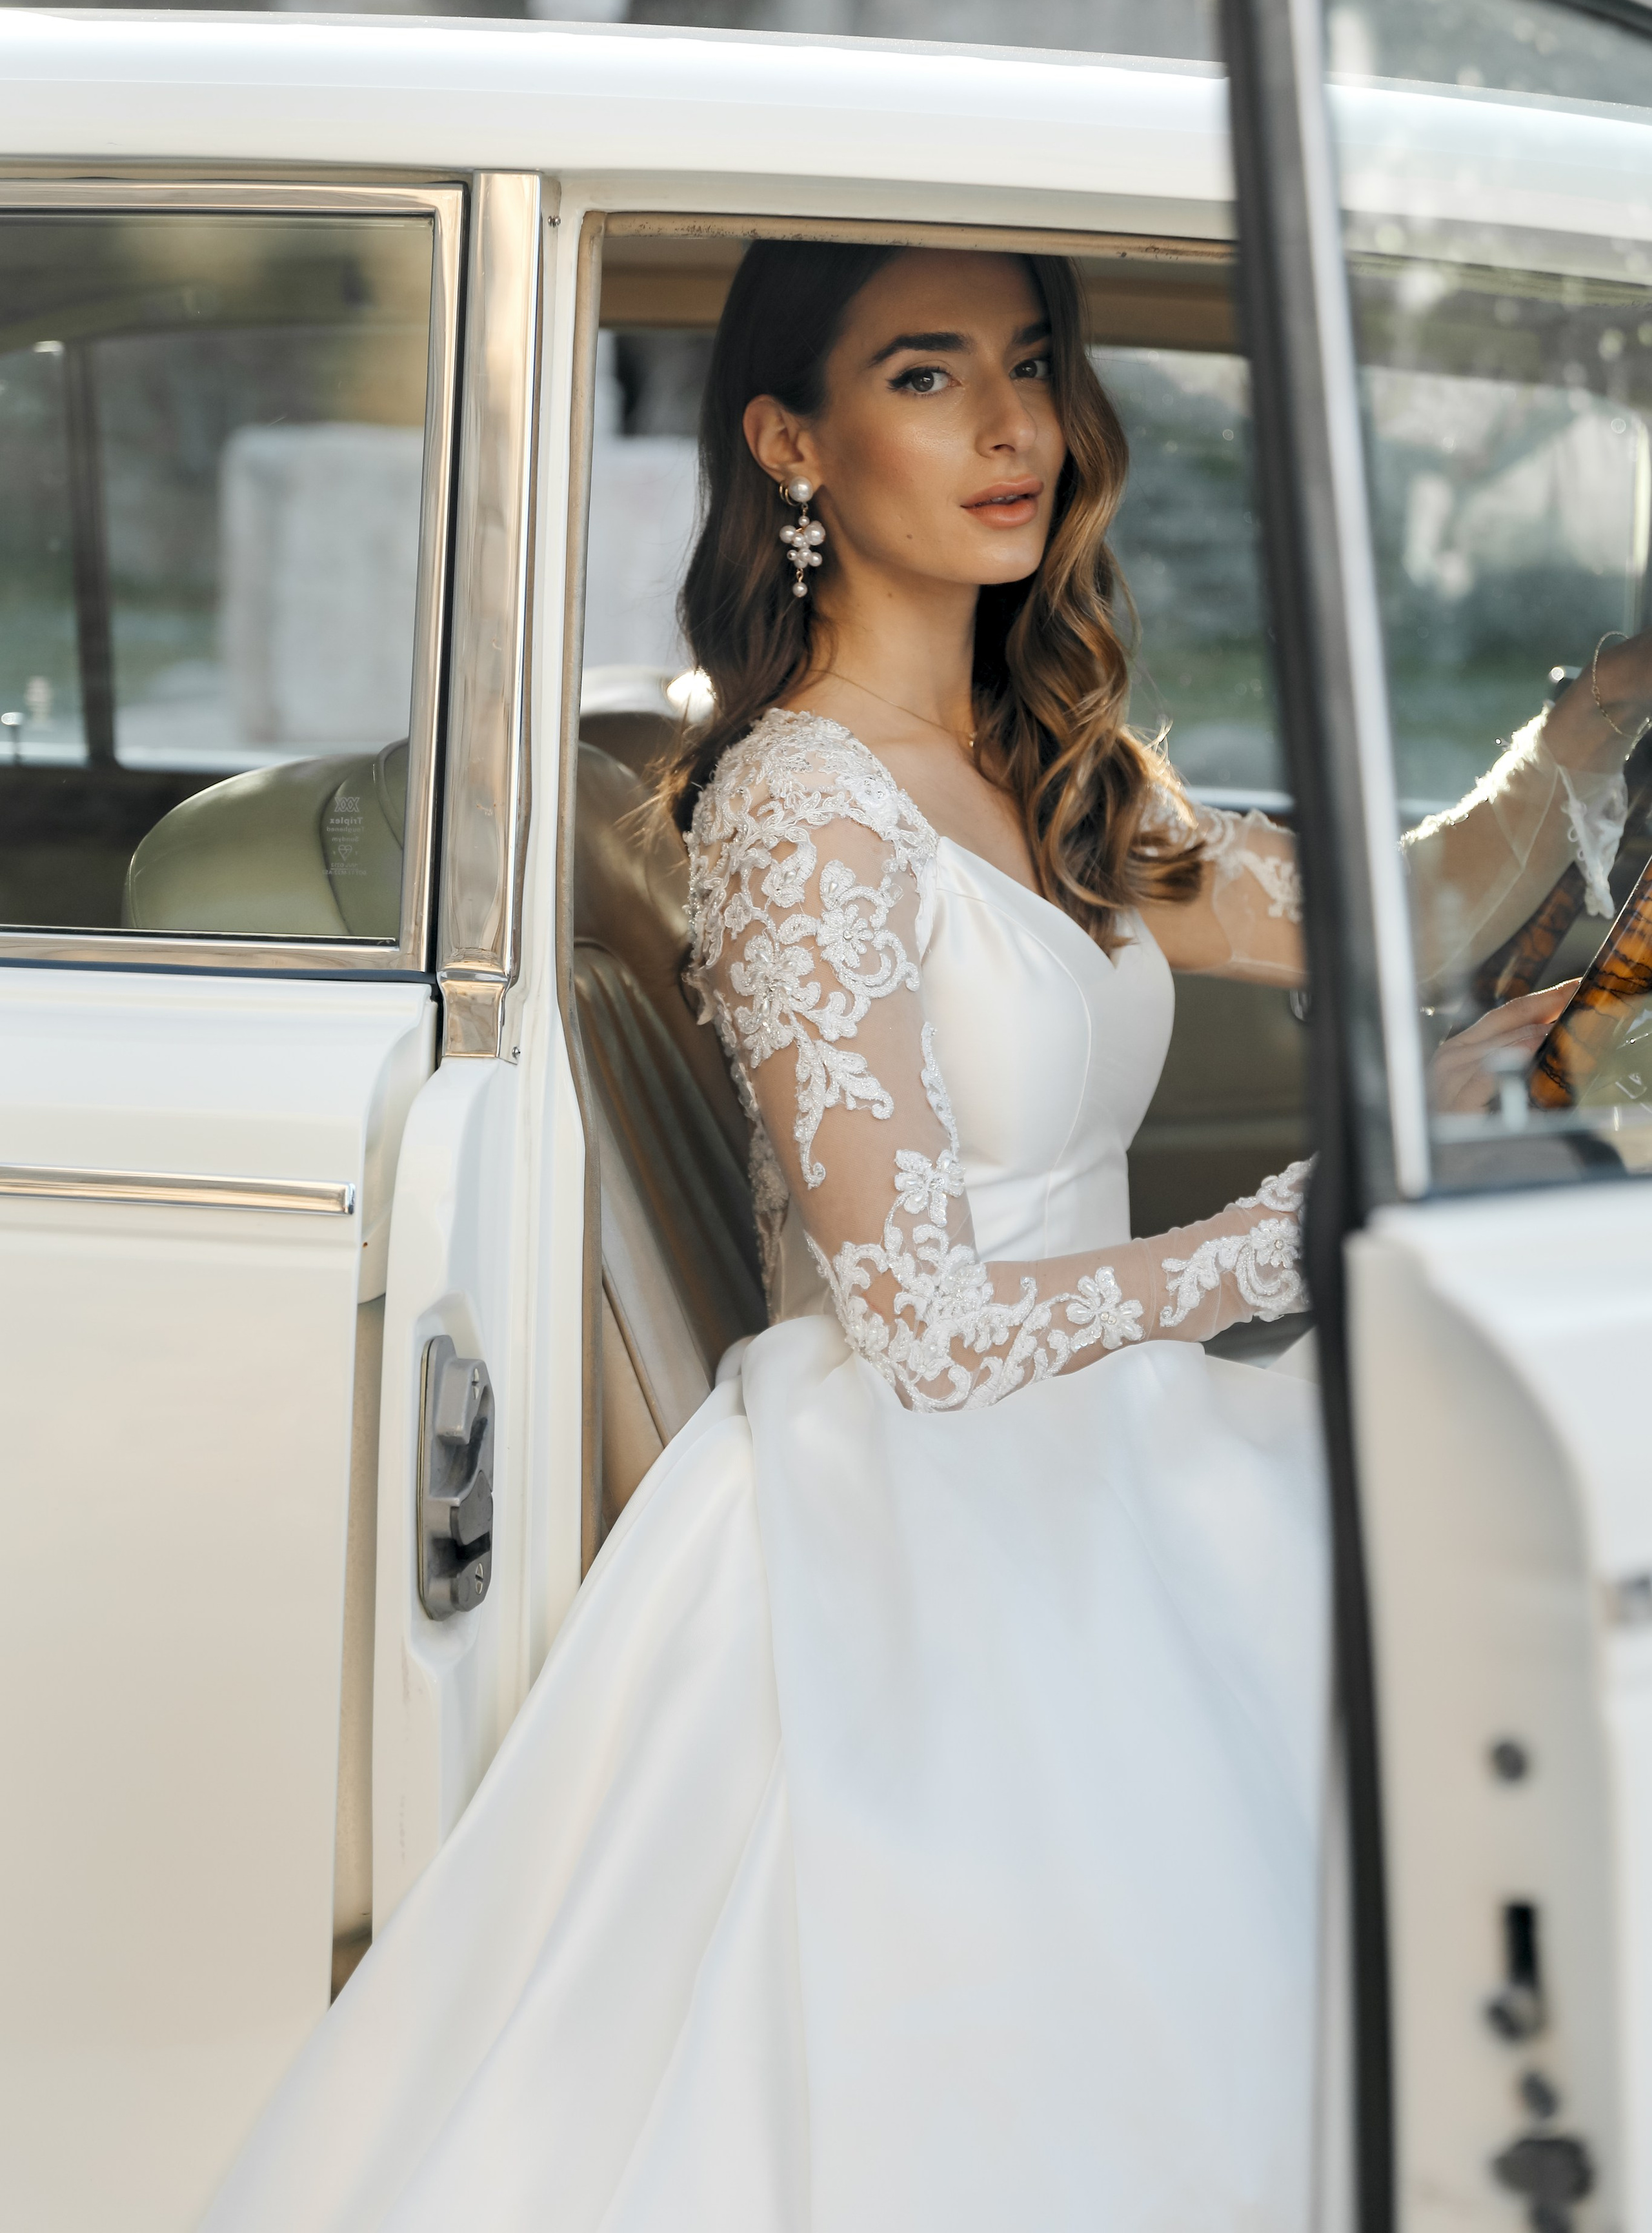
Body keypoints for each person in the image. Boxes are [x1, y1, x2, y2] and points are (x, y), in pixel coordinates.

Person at [201, 241, 1638, 2233]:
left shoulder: (1050, 770)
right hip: (922, 1497)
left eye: (1031, 366)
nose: (1012, 424)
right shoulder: (798, 810)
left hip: (1106, 1436)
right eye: (927, 374)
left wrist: (1592, 725)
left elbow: (1382, 926)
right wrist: (1297, 1233)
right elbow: (932, 1327)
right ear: (791, 441)